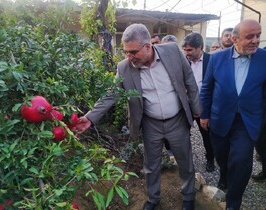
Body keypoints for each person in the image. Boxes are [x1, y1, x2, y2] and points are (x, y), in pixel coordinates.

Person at [74, 23, 202, 210]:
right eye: (126, 52)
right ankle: (153, 198)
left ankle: (189, 197)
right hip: (151, 123)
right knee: (151, 165)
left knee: (185, 160)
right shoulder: (125, 67)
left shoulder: (173, 52)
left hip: (177, 120)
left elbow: (189, 79)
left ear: (148, 46)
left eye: (133, 52)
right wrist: (91, 117)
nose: (129, 57)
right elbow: (112, 93)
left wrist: (196, 108)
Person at [200, 19, 266, 210]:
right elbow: (207, 88)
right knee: (223, 156)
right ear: (235, 39)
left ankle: (233, 202)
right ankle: (225, 174)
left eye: (258, 35)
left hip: (247, 120)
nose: (255, 40)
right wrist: (205, 114)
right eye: (250, 37)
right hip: (220, 118)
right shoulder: (217, 58)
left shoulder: (264, 58)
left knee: (241, 160)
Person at [181, 32, 215, 172]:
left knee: (207, 136)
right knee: (183, 134)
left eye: (190, 50)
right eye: (185, 50)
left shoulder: (211, 60)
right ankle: (186, 160)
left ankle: (210, 159)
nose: (186, 53)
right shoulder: (183, 61)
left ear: (200, 47)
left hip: (204, 107)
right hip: (187, 106)